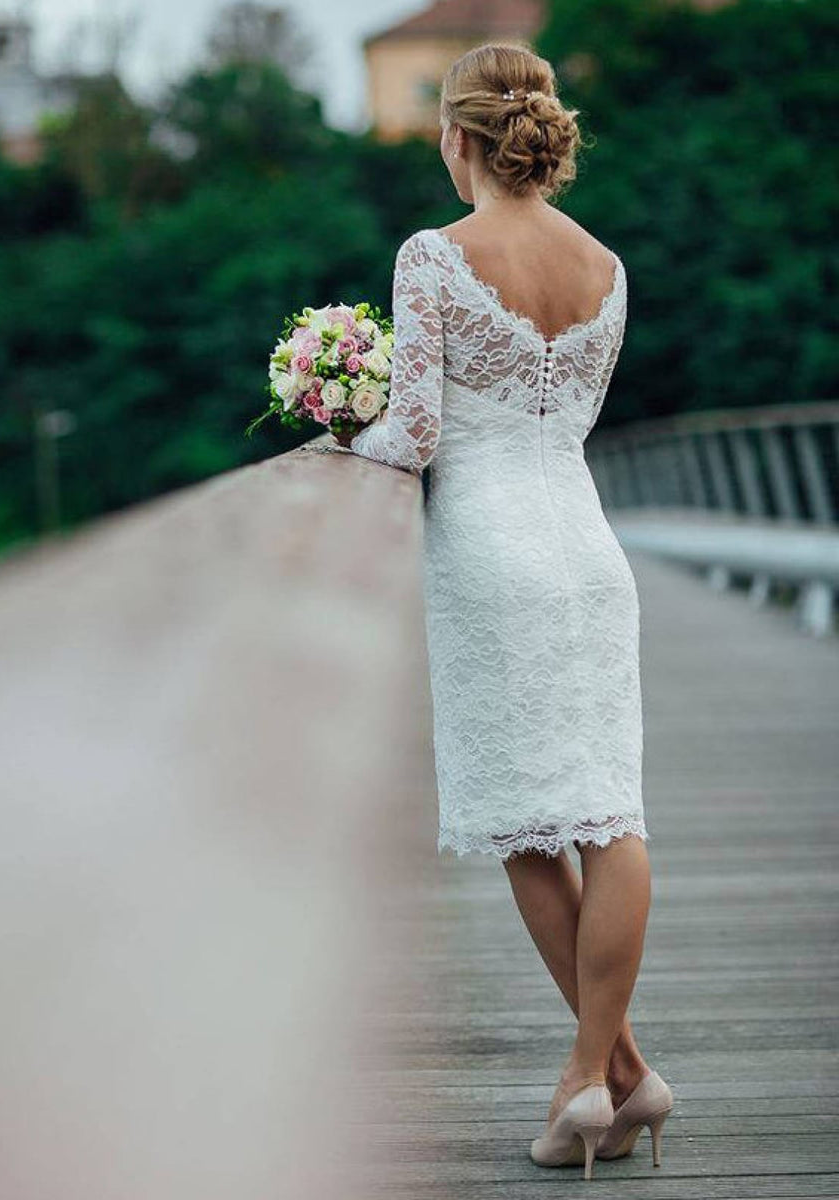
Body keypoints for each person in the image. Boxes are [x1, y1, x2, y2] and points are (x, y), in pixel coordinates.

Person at [336, 42, 672, 1180]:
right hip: (585, 545)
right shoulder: (605, 266)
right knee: (606, 813)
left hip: (486, 551)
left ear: (456, 138)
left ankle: (586, 1081)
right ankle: (622, 1078)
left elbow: (419, 433)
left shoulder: (432, 255)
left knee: (525, 818)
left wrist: (340, 432)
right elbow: (563, 421)